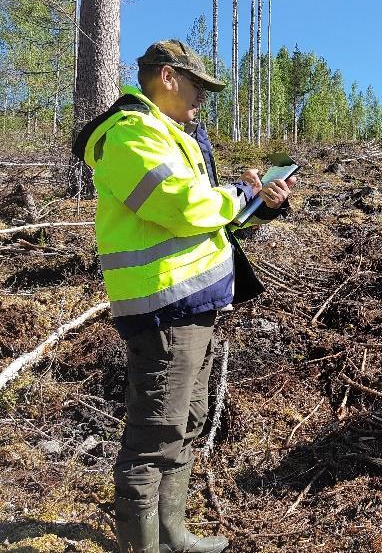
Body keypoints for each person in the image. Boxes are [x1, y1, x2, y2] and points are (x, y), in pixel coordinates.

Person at [73, 39, 295, 552]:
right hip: (163, 309)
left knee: (186, 423)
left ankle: (174, 536)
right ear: (168, 77)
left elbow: (205, 225)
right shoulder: (129, 135)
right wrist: (240, 194)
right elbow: (177, 205)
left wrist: (260, 206)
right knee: (155, 435)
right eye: (198, 88)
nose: (202, 100)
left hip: (195, 306)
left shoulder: (175, 137)